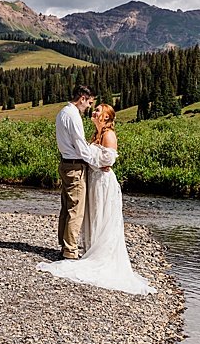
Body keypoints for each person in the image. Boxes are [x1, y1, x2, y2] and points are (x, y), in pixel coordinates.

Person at [37, 103, 155, 295]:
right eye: (94, 107)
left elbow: (108, 162)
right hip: (93, 180)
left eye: (99, 109)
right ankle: (89, 247)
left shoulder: (108, 135)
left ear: (106, 118)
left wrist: (93, 160)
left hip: (103, 182)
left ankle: (99, 253)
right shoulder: (96, 134)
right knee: (91, 214)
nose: (94, 110)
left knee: (102, 214)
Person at [54, 86, 95, 260]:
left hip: (65, 164)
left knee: (66, 206)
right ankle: (70, 250)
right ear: (82, 98)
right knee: (75, 209)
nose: (89, 107)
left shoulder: (63, 112)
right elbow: (80, 145)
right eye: (89, 102)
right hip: (75, 167)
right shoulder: (73, 116)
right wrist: (96, 162)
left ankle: (64, 244)